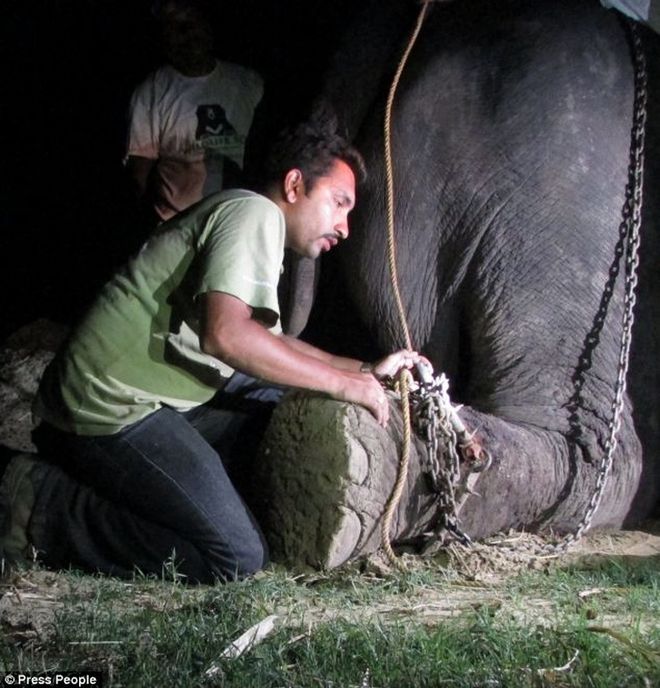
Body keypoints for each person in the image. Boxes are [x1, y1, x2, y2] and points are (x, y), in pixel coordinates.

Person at [0, 111, 426, 584]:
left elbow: (273, 345)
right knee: (236, 557)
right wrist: (343, 386)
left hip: (155, 395)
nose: (345, 228)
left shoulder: (254, 224)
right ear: (293, 185)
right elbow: (226, 336)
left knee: (277, 398)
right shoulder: (252, 213)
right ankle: (39, 502)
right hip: (106, 407)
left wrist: (365, 368)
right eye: (340, 203)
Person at [125, 0, 264, 223]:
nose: (186, 33)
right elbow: (139, 171)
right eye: (174, 26)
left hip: (234, 220)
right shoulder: (151, 91)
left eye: (192, 22)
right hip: (177, 224)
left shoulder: (248, 83)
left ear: (207, 27)